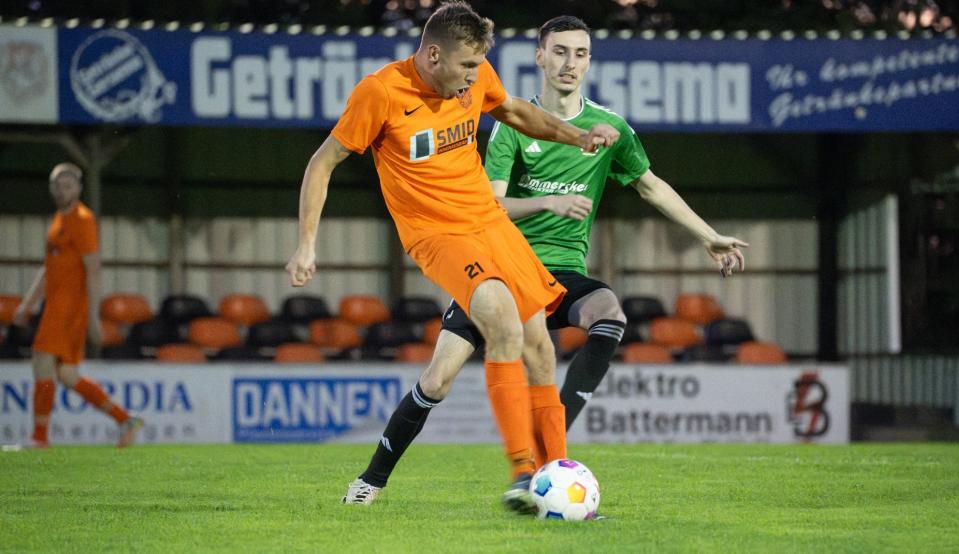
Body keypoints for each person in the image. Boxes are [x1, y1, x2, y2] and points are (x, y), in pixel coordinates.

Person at [341, 15, 748, 506]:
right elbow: (487, 204)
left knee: (608, 314)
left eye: (580, 53)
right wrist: (546, 203)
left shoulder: (611, 129)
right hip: (493, 261)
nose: (569, 63)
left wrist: (708, 236)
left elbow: (650, 185)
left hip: (561, 272)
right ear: (539, 57)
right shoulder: (511, 127)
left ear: (590, 61)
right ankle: (372, 479)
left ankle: (551, 460)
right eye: (559, 52)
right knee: (439, 378)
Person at [284, 2, 620, 514]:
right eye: (465, 67)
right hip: (437, 234)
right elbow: (321, 162)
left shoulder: (474, 71)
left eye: (476, 68)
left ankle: (558, 479)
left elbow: (515, 112)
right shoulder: (381, 93)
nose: (472, 80)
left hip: (490, 222)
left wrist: (579, 137)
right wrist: (307, 243)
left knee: (540, 349)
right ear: (433, 54)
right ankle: (522, 475)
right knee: (502, 323)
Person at [12, 162, 144, 448]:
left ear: (79, 188)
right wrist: (28, 303)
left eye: (68, 185)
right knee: (67, 376)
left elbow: (93, 267)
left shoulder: (82, 219)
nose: (62, 190)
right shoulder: (59, 219)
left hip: (69, 308)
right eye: (57, 185)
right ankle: (126, 420)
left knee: (42, 361)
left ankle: (39, 438)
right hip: (55, 307)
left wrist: (94, 316)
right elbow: (49, 269)